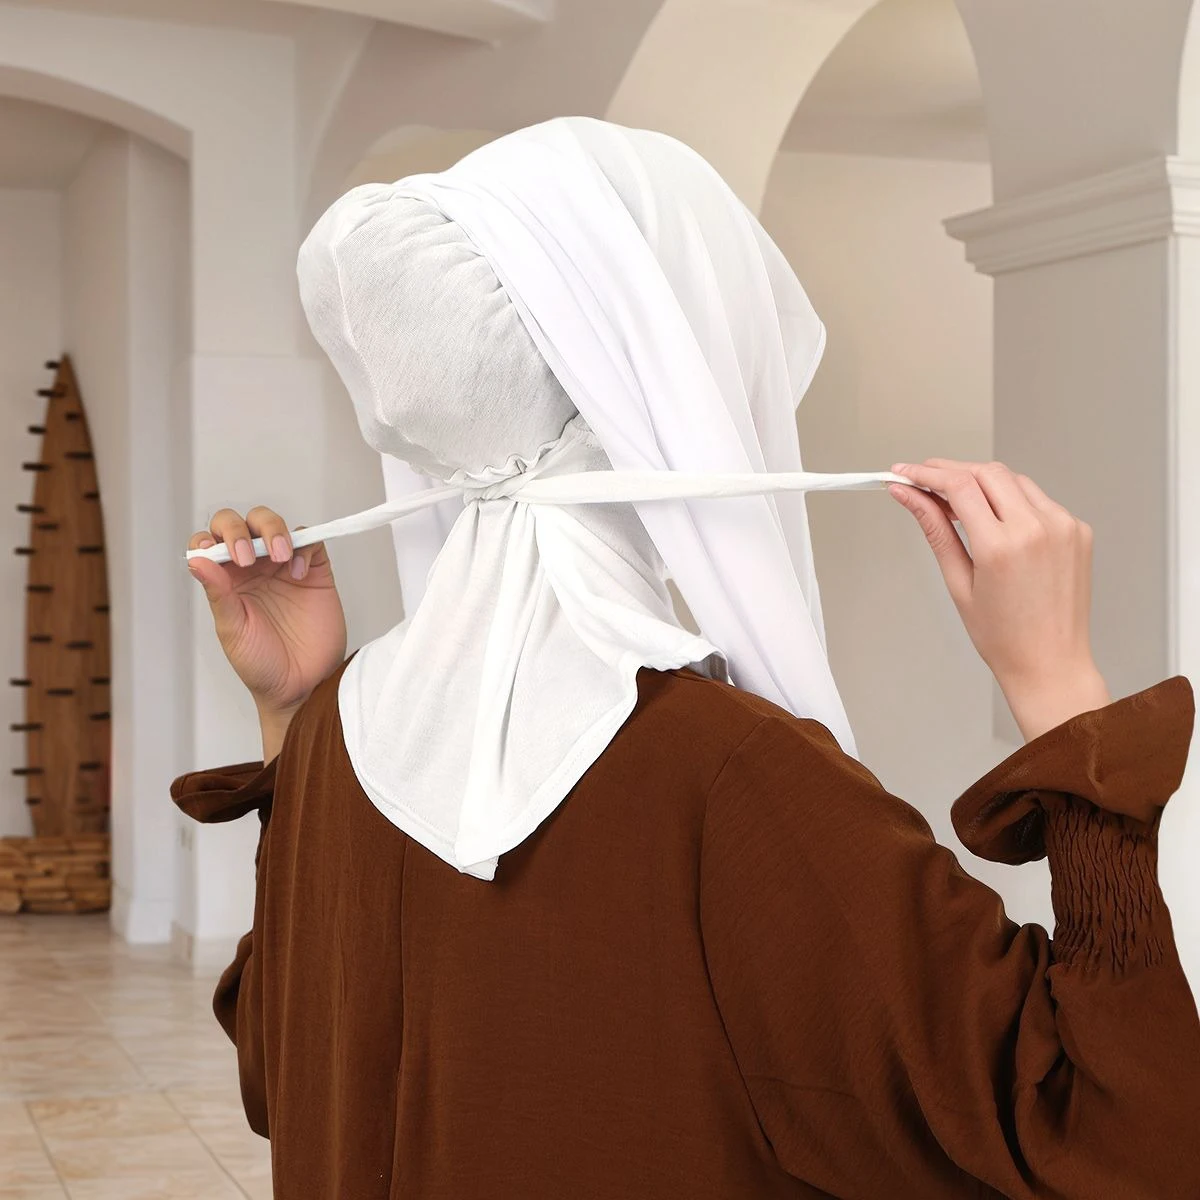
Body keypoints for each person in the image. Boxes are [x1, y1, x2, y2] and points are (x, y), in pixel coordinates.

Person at [173, 118, 1200, 1199]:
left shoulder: (336, 741)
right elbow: (1124, 1142)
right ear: (677, 377)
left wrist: (291, 717)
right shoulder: (730, 777)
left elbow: (278, 1077)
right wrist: (1059, 690)